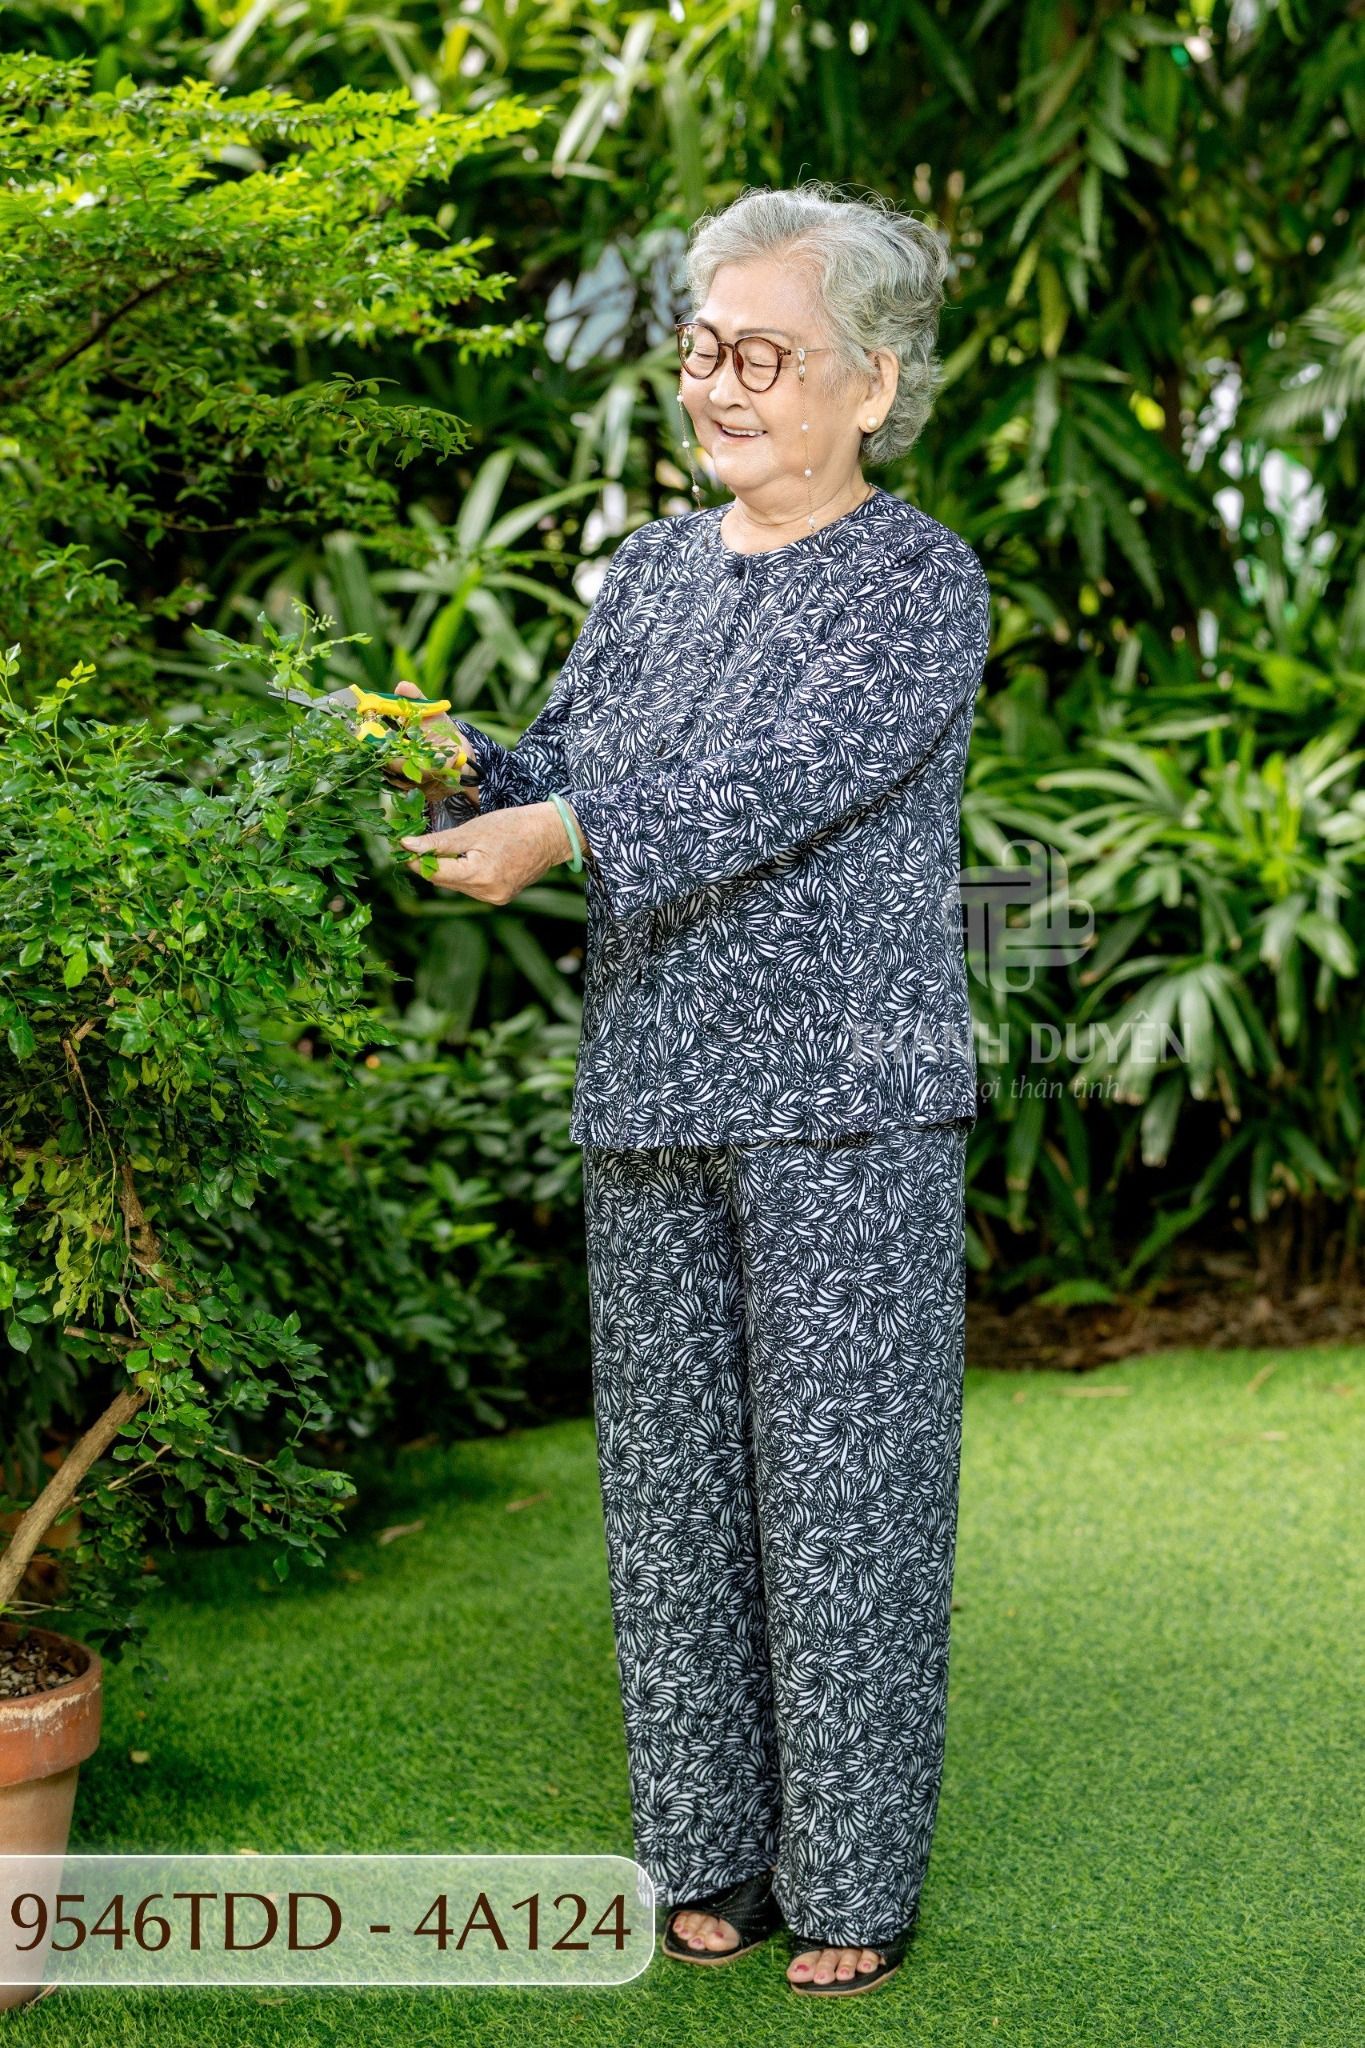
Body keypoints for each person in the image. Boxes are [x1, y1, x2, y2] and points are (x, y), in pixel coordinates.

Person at [389, 181, 991, 1997]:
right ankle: (706, 1851)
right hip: (650, 1091)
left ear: (871, 382)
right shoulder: (649, 570)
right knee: (670, 1511)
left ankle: (855, 1881)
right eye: (702, 347)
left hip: (846, 1109)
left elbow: (779, 780)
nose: (718, 385)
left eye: (762, 355)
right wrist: (451, 759)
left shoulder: (917, 580)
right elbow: (572, 762)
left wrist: (565, 827)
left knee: (848, 1505)